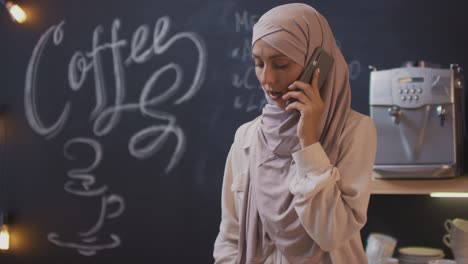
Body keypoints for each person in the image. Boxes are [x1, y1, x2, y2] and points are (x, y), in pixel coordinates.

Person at [213, 3, 377, 264]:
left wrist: (309, 144)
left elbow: (331, 234)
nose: (267, 78)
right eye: (258, 63)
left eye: (280, 64)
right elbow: (230, 237)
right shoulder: (247, 137)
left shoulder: (355, 131)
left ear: (317, 65)